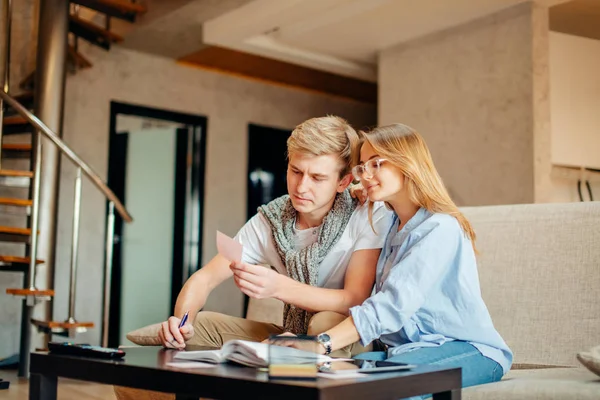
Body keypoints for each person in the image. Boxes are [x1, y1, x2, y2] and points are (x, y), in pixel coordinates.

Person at [114, 116, 392, 399]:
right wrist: (181, 321)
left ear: (344, 181)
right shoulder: (270, 221)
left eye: (317, 177)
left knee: (323, 321)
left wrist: (280, 288)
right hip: (291, 333)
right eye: (296, 171)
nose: (301, 186)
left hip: (346, 337)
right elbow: (205, 278)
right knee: (202, 326)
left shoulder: (366, 213)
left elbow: (355, 299)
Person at [282, 123, 513, 395]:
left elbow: (390, 306)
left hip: (467, 350)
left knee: (384, 386)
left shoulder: (440, 228)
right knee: (309, 373)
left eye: (376, 164)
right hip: (403, 351)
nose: (365, 175)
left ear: (408, 165)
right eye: (363, 166)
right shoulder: (391, 225)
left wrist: (322, 343)